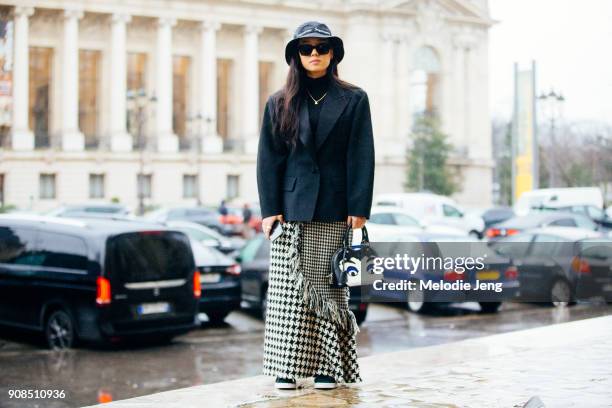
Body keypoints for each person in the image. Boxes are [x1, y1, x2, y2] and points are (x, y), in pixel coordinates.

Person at [256, 21, 375, 390]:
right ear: (295, 55)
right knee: (288, 299)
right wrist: (268, 209)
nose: (314, 55)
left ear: (333, 53)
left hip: (336, 209)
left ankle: (327, 368)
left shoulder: (354, 99)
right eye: (306, 49)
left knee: (328, 291)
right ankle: (286, 368)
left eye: (321, 48)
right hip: (291, 211)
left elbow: (362, 155)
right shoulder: (279, 101)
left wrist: (359, 207)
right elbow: (269, 159)